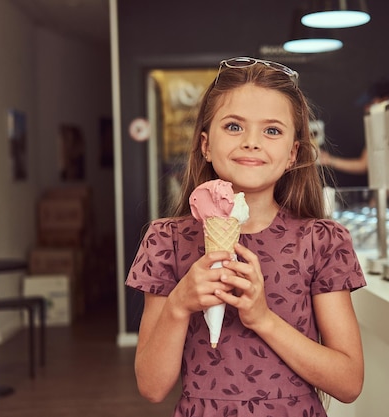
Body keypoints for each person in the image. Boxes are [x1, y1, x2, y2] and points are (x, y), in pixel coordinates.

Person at [126, 56, 367, 417]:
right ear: (205, 145)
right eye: (234, 126)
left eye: (272, 130)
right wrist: (180, 304)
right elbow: (152, 386)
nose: (252, 142)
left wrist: (262, 318)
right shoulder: (166, 241)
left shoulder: (323, 241)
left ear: (292, 153)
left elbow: (348, 383)